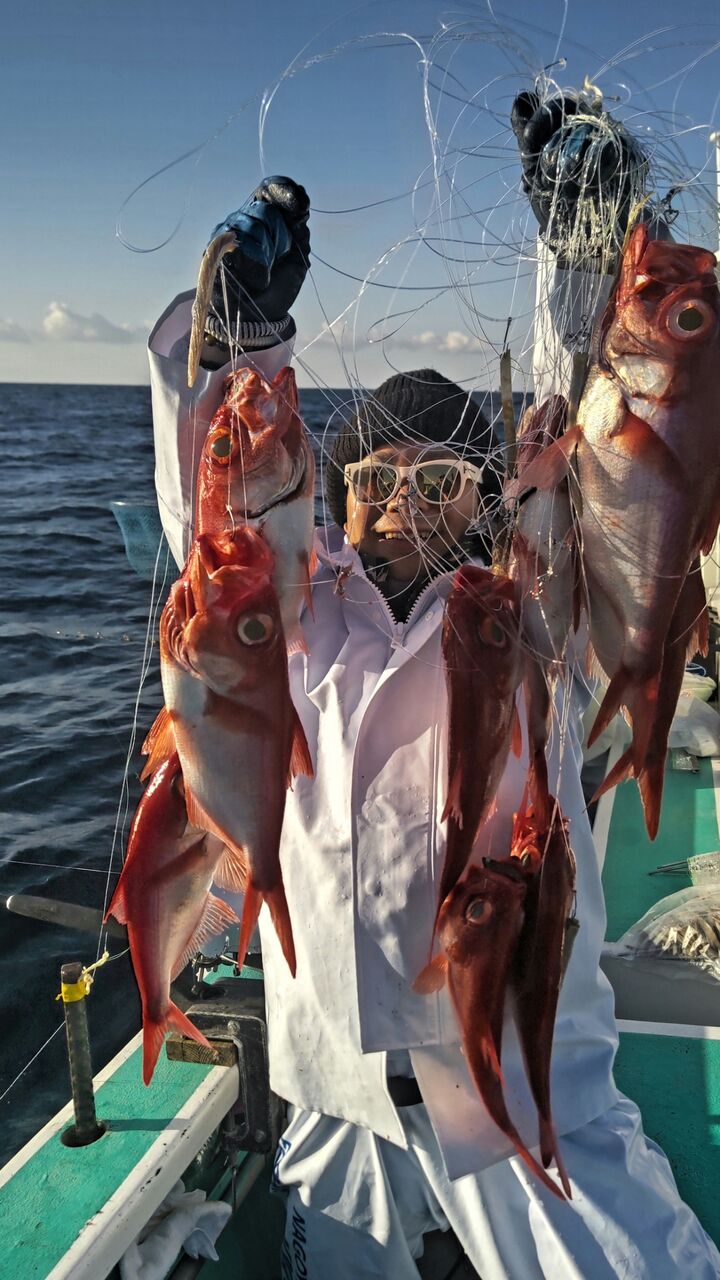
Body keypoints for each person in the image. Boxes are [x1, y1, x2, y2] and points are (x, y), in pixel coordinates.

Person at [147, 98, 720, 1278]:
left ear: (487, 491)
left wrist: (590, 247)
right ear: (335, 490)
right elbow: (211, 510)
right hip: (334, 1095)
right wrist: (231, 351)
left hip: (524, 1071)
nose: (410, 502)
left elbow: (608, 431)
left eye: (448, 476)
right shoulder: (291, 624)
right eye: (377, 473)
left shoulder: (536, 605)